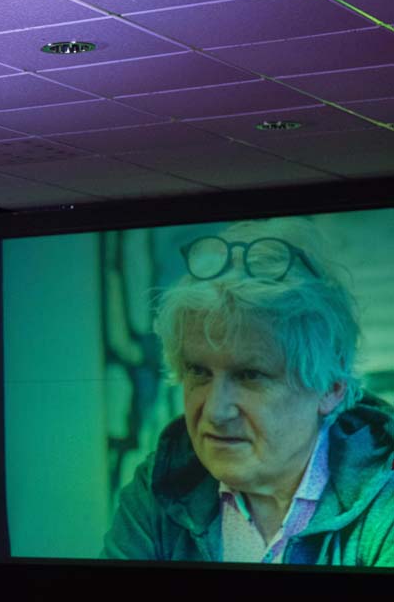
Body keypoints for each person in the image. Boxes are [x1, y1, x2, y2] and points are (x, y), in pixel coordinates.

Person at [103, 217, 394, 565]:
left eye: (250, 376)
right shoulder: (161, 486)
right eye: (198, 371)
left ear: (330, 389)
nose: (215, 411)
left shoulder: (385, 502)